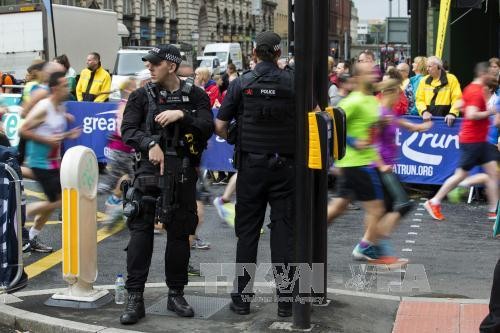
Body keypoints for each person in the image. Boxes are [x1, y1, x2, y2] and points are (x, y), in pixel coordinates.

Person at [119, 44, 214, 324]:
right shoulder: (141, 95)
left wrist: (183, 115)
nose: (149, 67)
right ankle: (135, 297)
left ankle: (176, 294)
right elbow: (128, 130)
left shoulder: (195, 95)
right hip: (149, 172)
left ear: (171, 66)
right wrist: (150, 143)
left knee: (180, 233)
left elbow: (208, 125)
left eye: (155, 63)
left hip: (182, 172)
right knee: (140, 233)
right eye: (148, 63)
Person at [215, 31, 295, 318]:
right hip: (286, 167)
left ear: (254, 52)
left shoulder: (241, 82)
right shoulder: (293, 81)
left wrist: (237, 136)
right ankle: (287, 301)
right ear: (277, 53)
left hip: (251, 167)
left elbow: (221, 125)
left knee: (247, 234)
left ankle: (242, 300)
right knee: (284, 233)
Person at [423, 62, 498, 221]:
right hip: (472, 141)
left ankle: (493, 211)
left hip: (479, 140)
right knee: (461, 175)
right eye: (490, 74)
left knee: (493, 174)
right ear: (483, 74)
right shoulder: (476, 92)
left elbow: (459, 104)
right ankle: (436, 200)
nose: (492, 77)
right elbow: (471, 114)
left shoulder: (471, 88)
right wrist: (490, 112)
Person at [19, 72, 80, 253]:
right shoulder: (44, 107)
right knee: (60, 201)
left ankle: (31, 237)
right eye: (64, 86)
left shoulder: (59, 107)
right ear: (54, 89)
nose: (68, 89)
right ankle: (26, 211)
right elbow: (23, 130)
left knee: (56, 201)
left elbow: (53, 134)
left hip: (54, 163)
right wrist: (48, 142)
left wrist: (68, 134)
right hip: (41, 162)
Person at [415, 56, 462, 127]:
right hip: (428, 121)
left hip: (447, 122)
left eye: (429, 66)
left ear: (438, 67)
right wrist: (424, 112)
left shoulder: (451, 79)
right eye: (426, 67)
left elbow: (457, 99)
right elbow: (419, 99)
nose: (427, 69)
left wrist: (452, 113)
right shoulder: (423, 80)